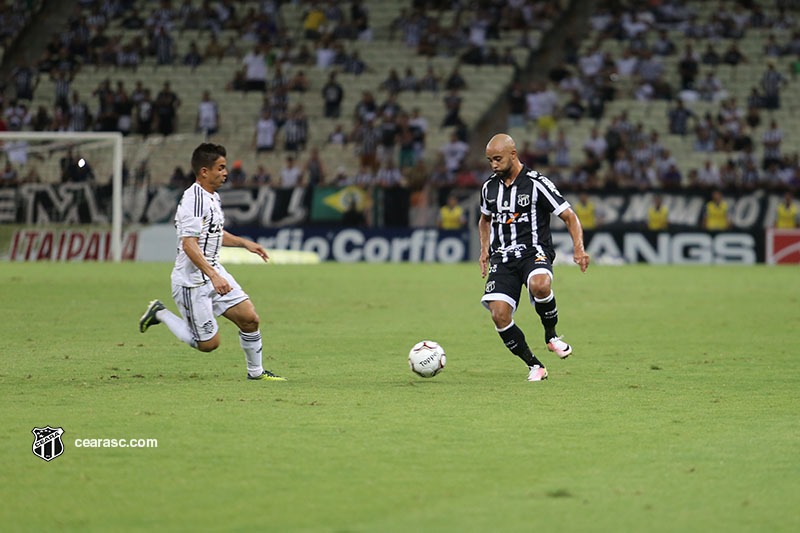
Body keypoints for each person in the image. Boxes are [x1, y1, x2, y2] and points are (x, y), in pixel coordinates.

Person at [139, 143, 285, 381]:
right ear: (204, 171)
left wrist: (244, 243)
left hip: (212, 271)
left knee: (250, 319)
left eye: (225, 167)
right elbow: (189, 244)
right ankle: (160, 313)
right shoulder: (194, 199)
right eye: (220, 168)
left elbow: (214, 233)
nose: (225, 173)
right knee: (208, 344)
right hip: (192, 281)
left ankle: (256, 372)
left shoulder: (212, 197)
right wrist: (214, 276)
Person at [479, 134, 589, 382]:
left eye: (498, 159)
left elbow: (569, 216)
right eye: (490, 161)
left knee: (540, 285)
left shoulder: (537, 183)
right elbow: (484, 220)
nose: (493, 165)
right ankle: (534, 365)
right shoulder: (489, 188)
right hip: (503, 257)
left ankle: (551, 336)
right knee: (499, 315)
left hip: (534, 251)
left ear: (513, 155)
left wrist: (579, 249)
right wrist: (484, 250)